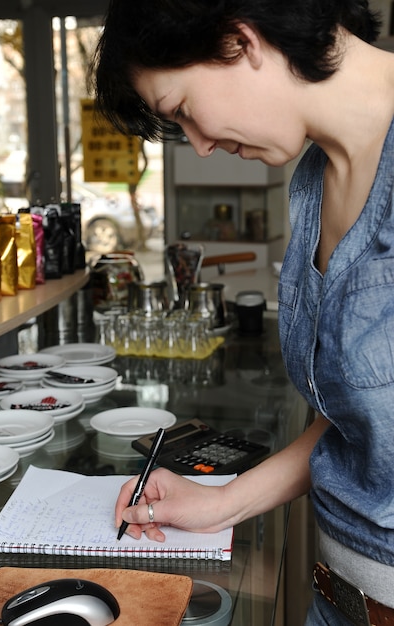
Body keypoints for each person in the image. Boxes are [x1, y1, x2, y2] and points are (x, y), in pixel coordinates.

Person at [91, 1, 394, 623]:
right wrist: (219, 503)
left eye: (182, 110)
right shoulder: (314, 178)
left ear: (239, 41)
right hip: (339, 603)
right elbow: (354, 419)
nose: (200, 146)